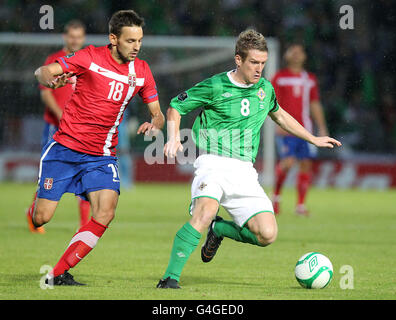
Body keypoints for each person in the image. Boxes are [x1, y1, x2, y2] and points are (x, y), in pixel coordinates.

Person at [157, 30, 341, 289]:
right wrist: (173, 137)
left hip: (244, 171)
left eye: (263, 63)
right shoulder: (215, 85)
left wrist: (312, 138)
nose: (259, 69)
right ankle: (169, 279)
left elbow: (280, 115)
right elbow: (176, 106)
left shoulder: (265, 89)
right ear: (238, 60)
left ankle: (219, 230)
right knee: (205, 212)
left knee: (267, 234)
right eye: (254, 62)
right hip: (213, 163)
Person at [33, 10, 164, 286]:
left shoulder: (141, 71)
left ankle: (57, 273)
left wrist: (156, 121)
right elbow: (43, 71)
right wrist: (48, 79)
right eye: (130, 41)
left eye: (139, 40)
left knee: (105, 212)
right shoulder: (89, 57)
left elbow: (157, 112)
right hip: (65, 150)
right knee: (40, 218)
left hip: (101, 155)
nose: (137, 47)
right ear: (113, 39)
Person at [26, 20, 89, 234]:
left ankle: (84, 226)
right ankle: (34, 212)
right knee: (51, 172)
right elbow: (45, 93)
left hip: (80, 129)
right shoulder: (54, 61)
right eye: (72, 36)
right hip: (56, 127)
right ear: (65, 37)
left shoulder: (84, 61)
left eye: (79, 37)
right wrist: (62, 116)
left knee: (85, 171)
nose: (75, 40)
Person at [271, 44, 329, 216]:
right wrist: (277, 125)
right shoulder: (279, 78)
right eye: (293, 51)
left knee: (305, 164)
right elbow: (272, 104)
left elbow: (314, 104)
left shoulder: (309, 79)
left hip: (306, 130)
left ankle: (300, 205)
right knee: (288, 163)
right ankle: (275, 198)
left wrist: (322, 126)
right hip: (286, 129)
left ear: (304, 56)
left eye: (300, 51)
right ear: (286, 55)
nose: (296, 54)